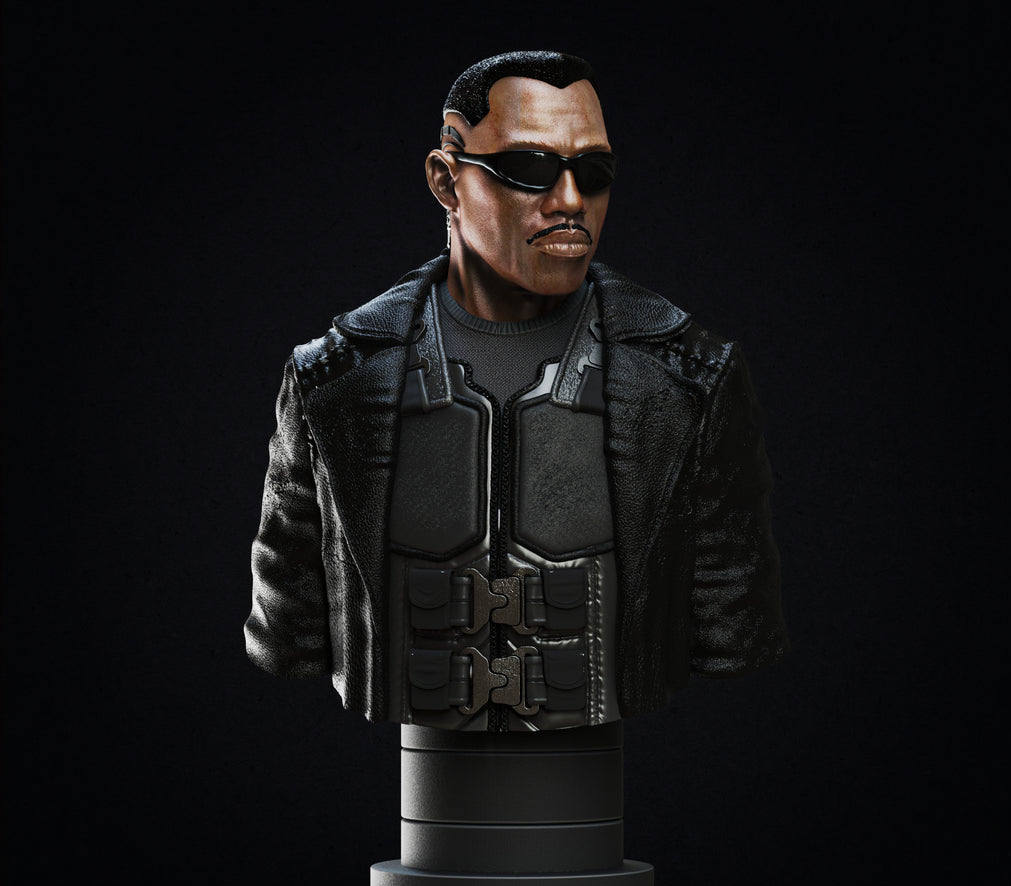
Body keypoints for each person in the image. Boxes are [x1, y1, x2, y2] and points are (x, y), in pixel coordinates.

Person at [245, 50, 788, 733]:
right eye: (531, 169)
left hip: (602, 775)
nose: (570, 201)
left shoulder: (690, 379)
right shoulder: (334, 381)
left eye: (594, 172)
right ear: (446, 180)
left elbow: (733, 634)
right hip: (417, 776)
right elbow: (288, 635)